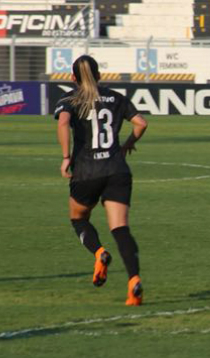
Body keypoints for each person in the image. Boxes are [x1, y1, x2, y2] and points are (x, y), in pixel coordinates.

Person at [54, 55, 148, 305]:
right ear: (99, 75)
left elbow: (63, 123)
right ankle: (134, 282)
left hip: (86, 172)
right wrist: (128, 144)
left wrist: (65, 157)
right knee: (120, 228)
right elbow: (141, 123)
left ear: (72, 78)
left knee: (78, 218)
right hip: (117, 169)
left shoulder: (69, 99)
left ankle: (99, 252)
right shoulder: (116, 97)